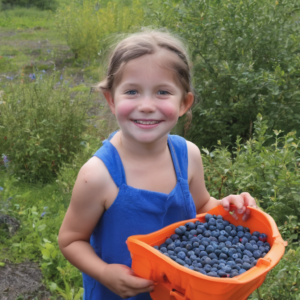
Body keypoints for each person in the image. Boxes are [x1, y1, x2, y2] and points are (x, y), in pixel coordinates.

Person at [58, 29, 258, 300]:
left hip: (180, 290)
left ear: (184, 103)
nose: (147, 105)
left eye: (162, 92)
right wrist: (105, 273)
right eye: (132, 91)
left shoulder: (187, 155)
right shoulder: (97, 176)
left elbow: (201, 206)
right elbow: (71, 240)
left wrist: (229, 207)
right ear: (111, 100)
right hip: (120, 294)